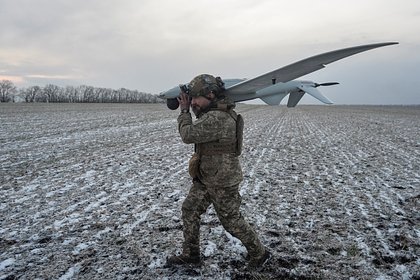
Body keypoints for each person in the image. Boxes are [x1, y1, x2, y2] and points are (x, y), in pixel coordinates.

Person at [166, 74, 270, 269]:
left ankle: (260, 254)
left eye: (196, 98)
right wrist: (192, 106)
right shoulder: (216, 112)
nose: (193, 102)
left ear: (211, 95)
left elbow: (188, 134)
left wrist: (184, 111)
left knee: (231, 222)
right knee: (190, 209)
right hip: (207, 177)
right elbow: (202, 120)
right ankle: (191, 254)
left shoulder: (218, 117)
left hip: (222, 180)